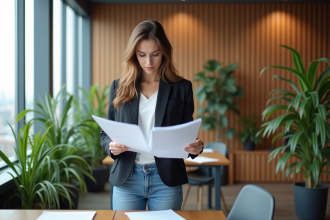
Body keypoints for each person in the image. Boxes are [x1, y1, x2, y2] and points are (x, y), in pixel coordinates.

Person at [100, 20, 204, 211]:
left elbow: (187, 133)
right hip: (127, 178)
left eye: (155, 54)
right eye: (142, 55)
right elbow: (105, 134)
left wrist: (195, 146)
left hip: (166, 179)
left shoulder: (181, 88)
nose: (149, 62)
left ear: (164, 52)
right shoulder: (119, 87)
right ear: (134, 55)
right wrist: (111, 147)